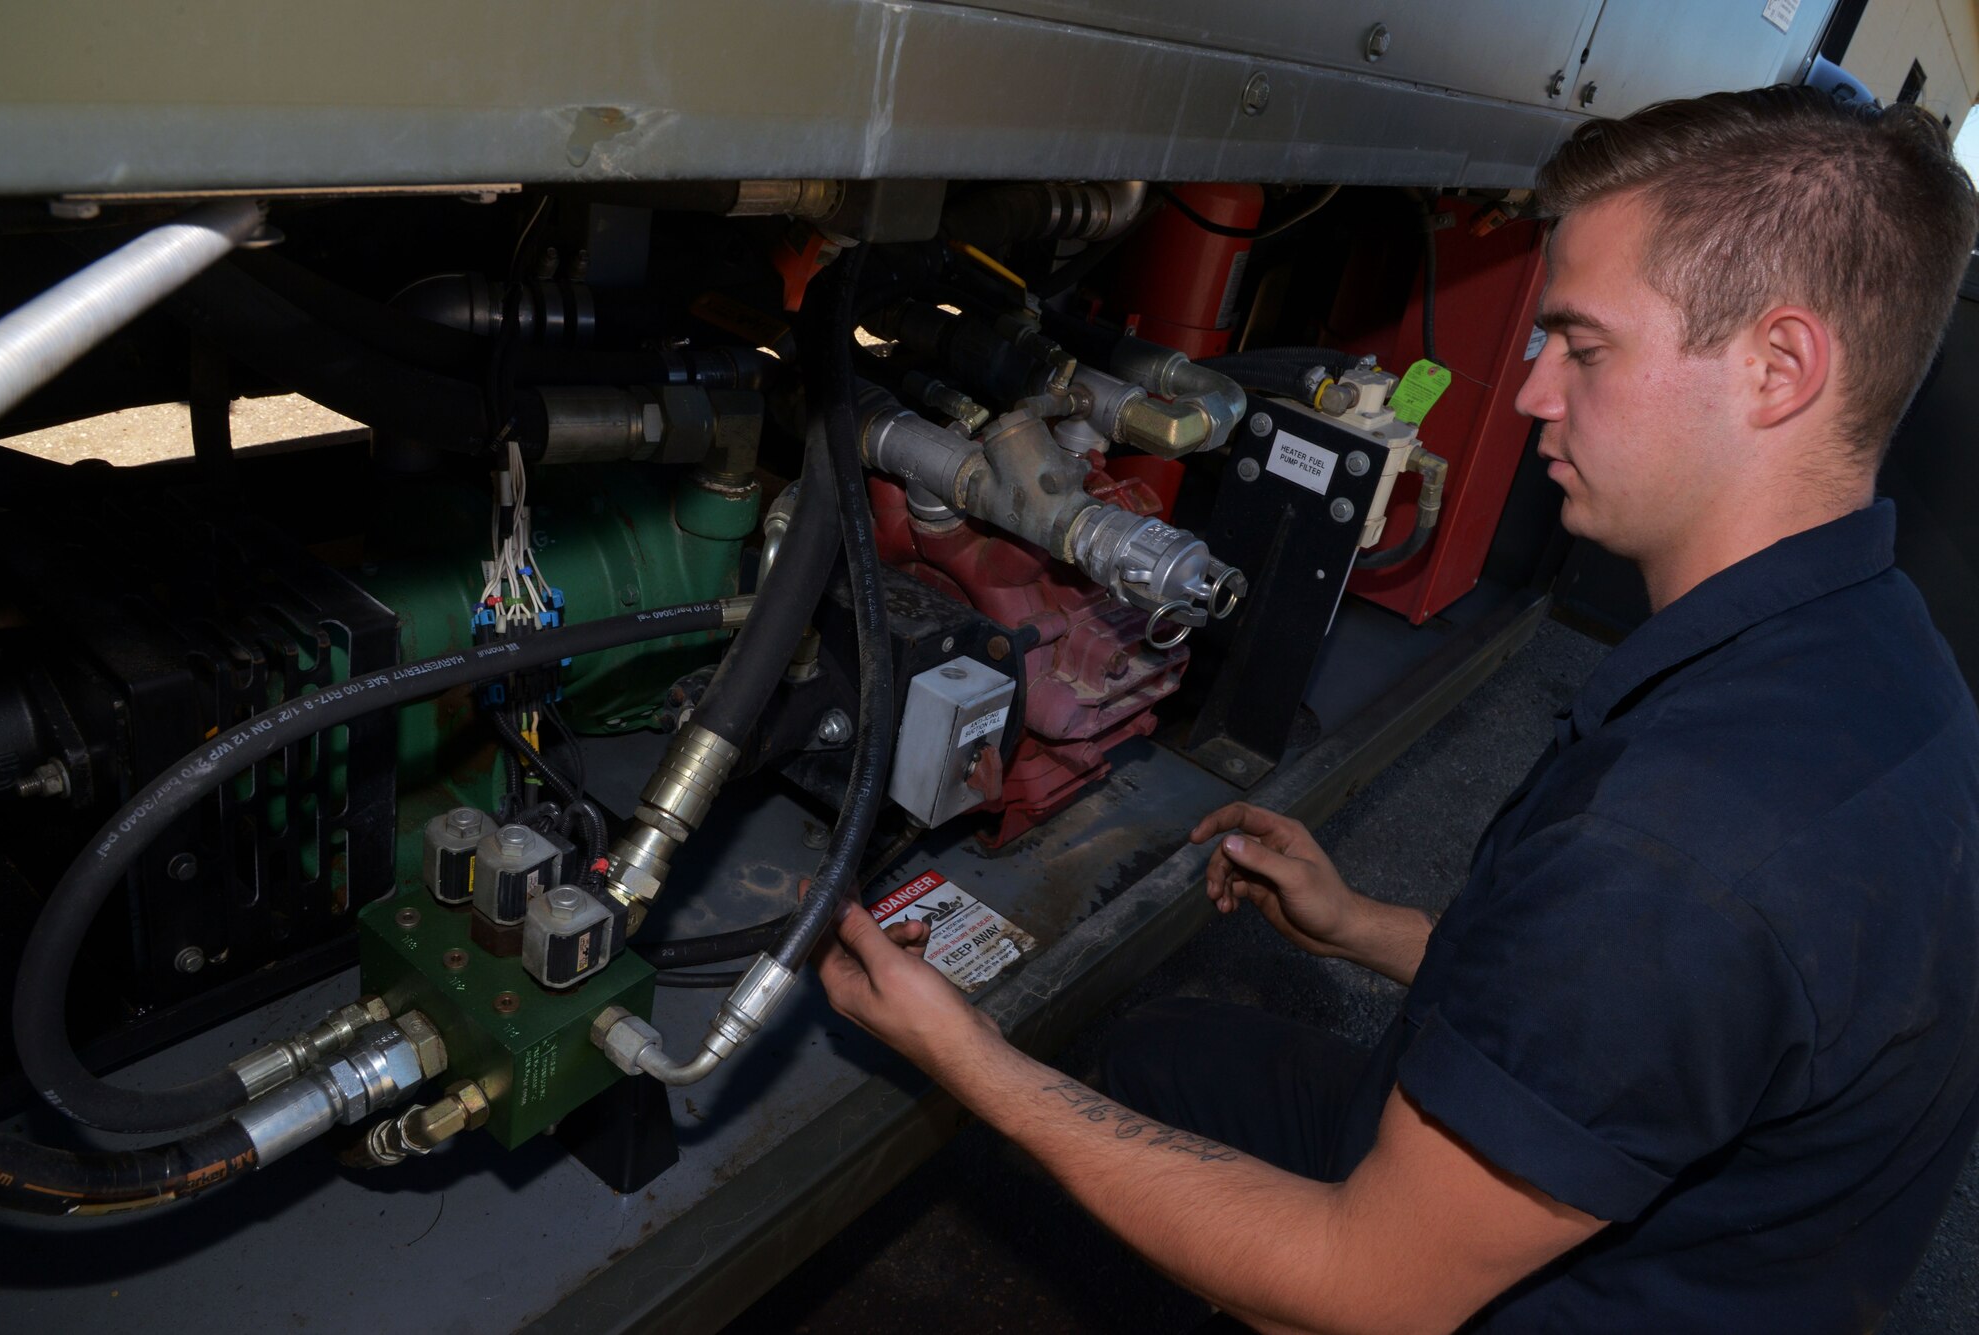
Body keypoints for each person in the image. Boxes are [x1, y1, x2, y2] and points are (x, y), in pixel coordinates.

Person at [811, 85, 1979, 1333]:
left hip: (1481, 1291)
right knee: (1165, 1057)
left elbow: (1357, 1290)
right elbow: (1648, 1031)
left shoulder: (1679, 852)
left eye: (1581, 347)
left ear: (1777, 367)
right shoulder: (1879, 657)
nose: (1529, 393)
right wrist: (1366, 928)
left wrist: (971, 1064)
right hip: (1658, 1209)